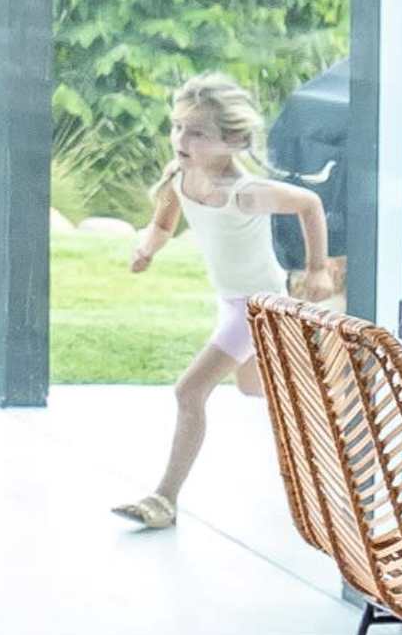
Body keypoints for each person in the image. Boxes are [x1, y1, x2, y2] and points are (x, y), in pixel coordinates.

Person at [113, 76, 341, 532]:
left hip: (258, 307)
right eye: (178, 127)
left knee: (189, 391)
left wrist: (317, 268)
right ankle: (341, 414)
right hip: (231, 301)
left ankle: (163, 499)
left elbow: (310, 204)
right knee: (259, 390)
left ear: (232, 140)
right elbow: (164, 222)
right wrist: (147, 249)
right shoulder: (181, 177)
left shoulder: (246, 193)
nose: (181, 139)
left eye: (196, 132)